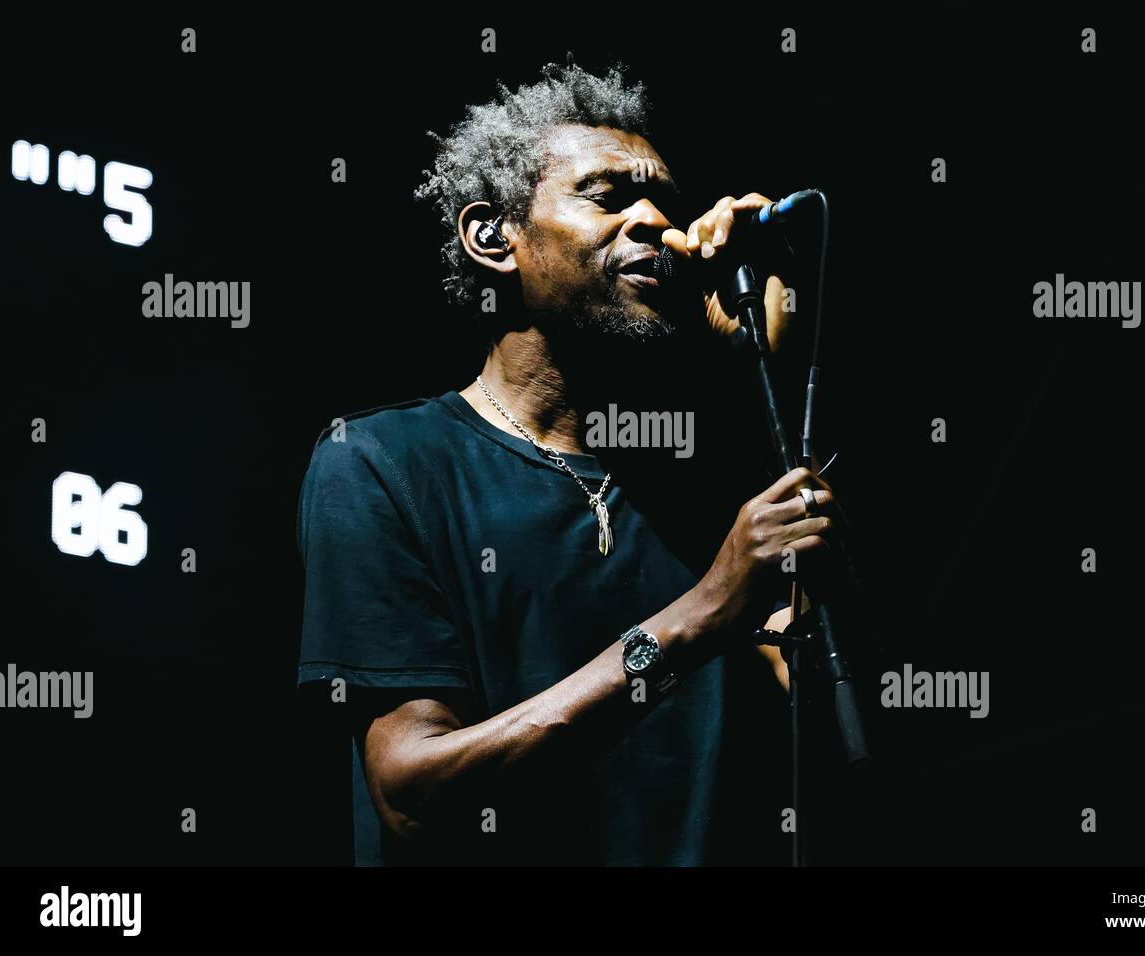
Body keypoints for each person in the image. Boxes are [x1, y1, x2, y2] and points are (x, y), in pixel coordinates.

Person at [297, 61, 844, 865]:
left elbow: (831, 742)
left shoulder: (703, 482)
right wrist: (699, 614)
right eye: (608, 196)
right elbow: (413, 795)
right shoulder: (384, 462)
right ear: (494, 238)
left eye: (665, 199)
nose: (658, 220)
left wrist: (766, 366)